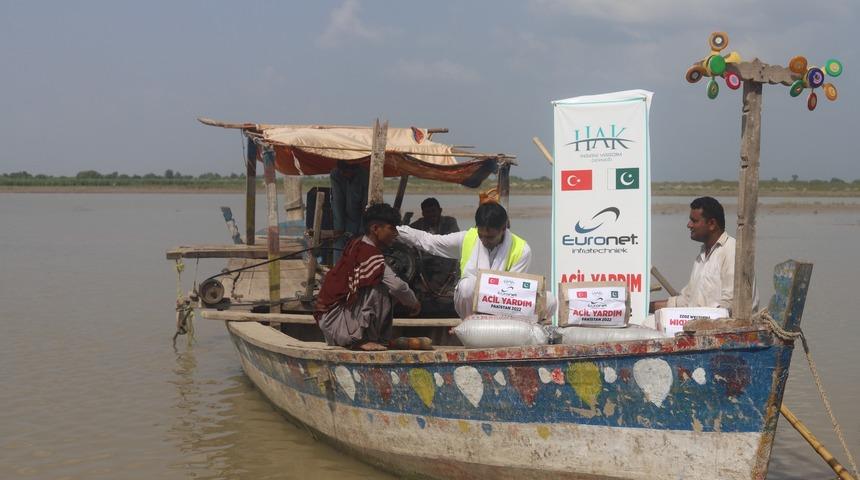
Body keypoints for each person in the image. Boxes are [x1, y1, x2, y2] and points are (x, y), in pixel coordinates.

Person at [397, 201, 556, 319]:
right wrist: (397, 230)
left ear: (503, 229)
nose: (485, 240)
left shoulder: (522, 249)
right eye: (482, 235)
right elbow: (429, 241)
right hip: (470, 306)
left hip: (506, 303)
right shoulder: (467, 237)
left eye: (491, 237)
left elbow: (513, 292)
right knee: (467, 285)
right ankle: (470, 323)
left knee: (549, 299)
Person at [315, 203, 421, 351]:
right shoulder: (370, 255)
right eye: (392, 229)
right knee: (381, 288)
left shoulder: (357, 244)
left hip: (330, 322)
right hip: (337, 323)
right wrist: (414, 303)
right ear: (375, 229)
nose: (395, 234)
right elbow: (398, 286)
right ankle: (361, 340)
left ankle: (367, 337)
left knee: (380, 284)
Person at [649, 196, 757, 314]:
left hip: (724, 328)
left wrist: (697, 317)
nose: (689, 225)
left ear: (711, 224)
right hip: (699, 324)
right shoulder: (701, 257)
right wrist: (647, 306)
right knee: (647, 322)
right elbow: (686, 301)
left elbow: (730, 305)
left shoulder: (733, 251)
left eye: (694, 221)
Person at [330, 160, 369, 263]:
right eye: (341, 171)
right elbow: (338, 200)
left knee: (358, 251)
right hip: (342, 220)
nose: (343, 174)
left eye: (346, 171)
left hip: (359, 220)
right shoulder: (336, 174)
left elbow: (365, 205)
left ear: (354, 170)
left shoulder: (364, 175)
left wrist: (362, 230)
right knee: (339, 250)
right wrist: (339, 228)